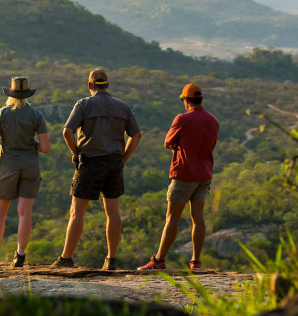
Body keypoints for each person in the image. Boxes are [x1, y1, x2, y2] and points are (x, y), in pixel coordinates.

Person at [51, 68, 141, 270]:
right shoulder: (122, 106)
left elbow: (67, 131)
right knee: (113, 211)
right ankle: (111, 259)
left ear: (89, 85)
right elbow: (136, 135)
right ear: (107, 85)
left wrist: (75, 152)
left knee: (77, 211)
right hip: (114, 162)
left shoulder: (83, 104)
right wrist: (124, 158)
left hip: (90, 161)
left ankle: (66, 258)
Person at [138, 82, 219, 271]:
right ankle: (195, 262)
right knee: (198, 217)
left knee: (172, 217)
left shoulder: (182, 119)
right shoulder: (213, 120)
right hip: (205, 174)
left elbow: (168, 142)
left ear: (186, 100)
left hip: (184, 173)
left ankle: (159, 260)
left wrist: (179, 147)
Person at [0, 76, 51, 269]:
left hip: (7, 168)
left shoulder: (1, 114)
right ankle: (20, 257)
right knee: (25, 213)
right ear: (27, 94)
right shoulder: (36, 115)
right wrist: (32, 144)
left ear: (11, 94)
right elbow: (46, 148)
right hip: (30, 168)